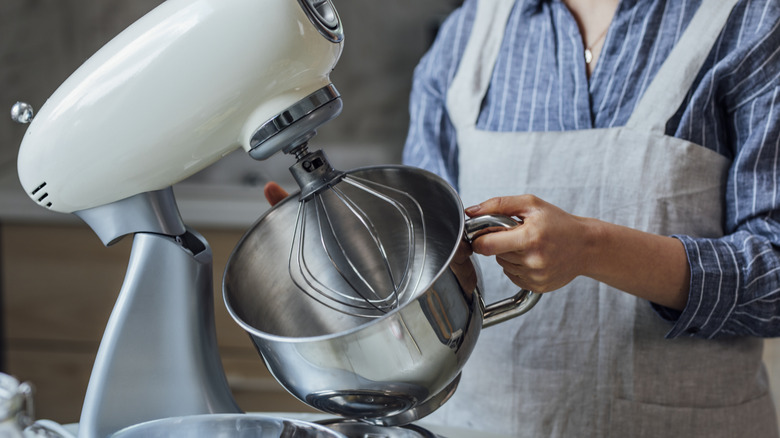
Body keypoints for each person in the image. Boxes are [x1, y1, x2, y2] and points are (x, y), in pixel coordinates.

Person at [264, 0, 780, 435]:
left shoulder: (753, 22)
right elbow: (426, 256)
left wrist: (592, 249)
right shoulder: (465, 36)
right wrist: (345, 250)